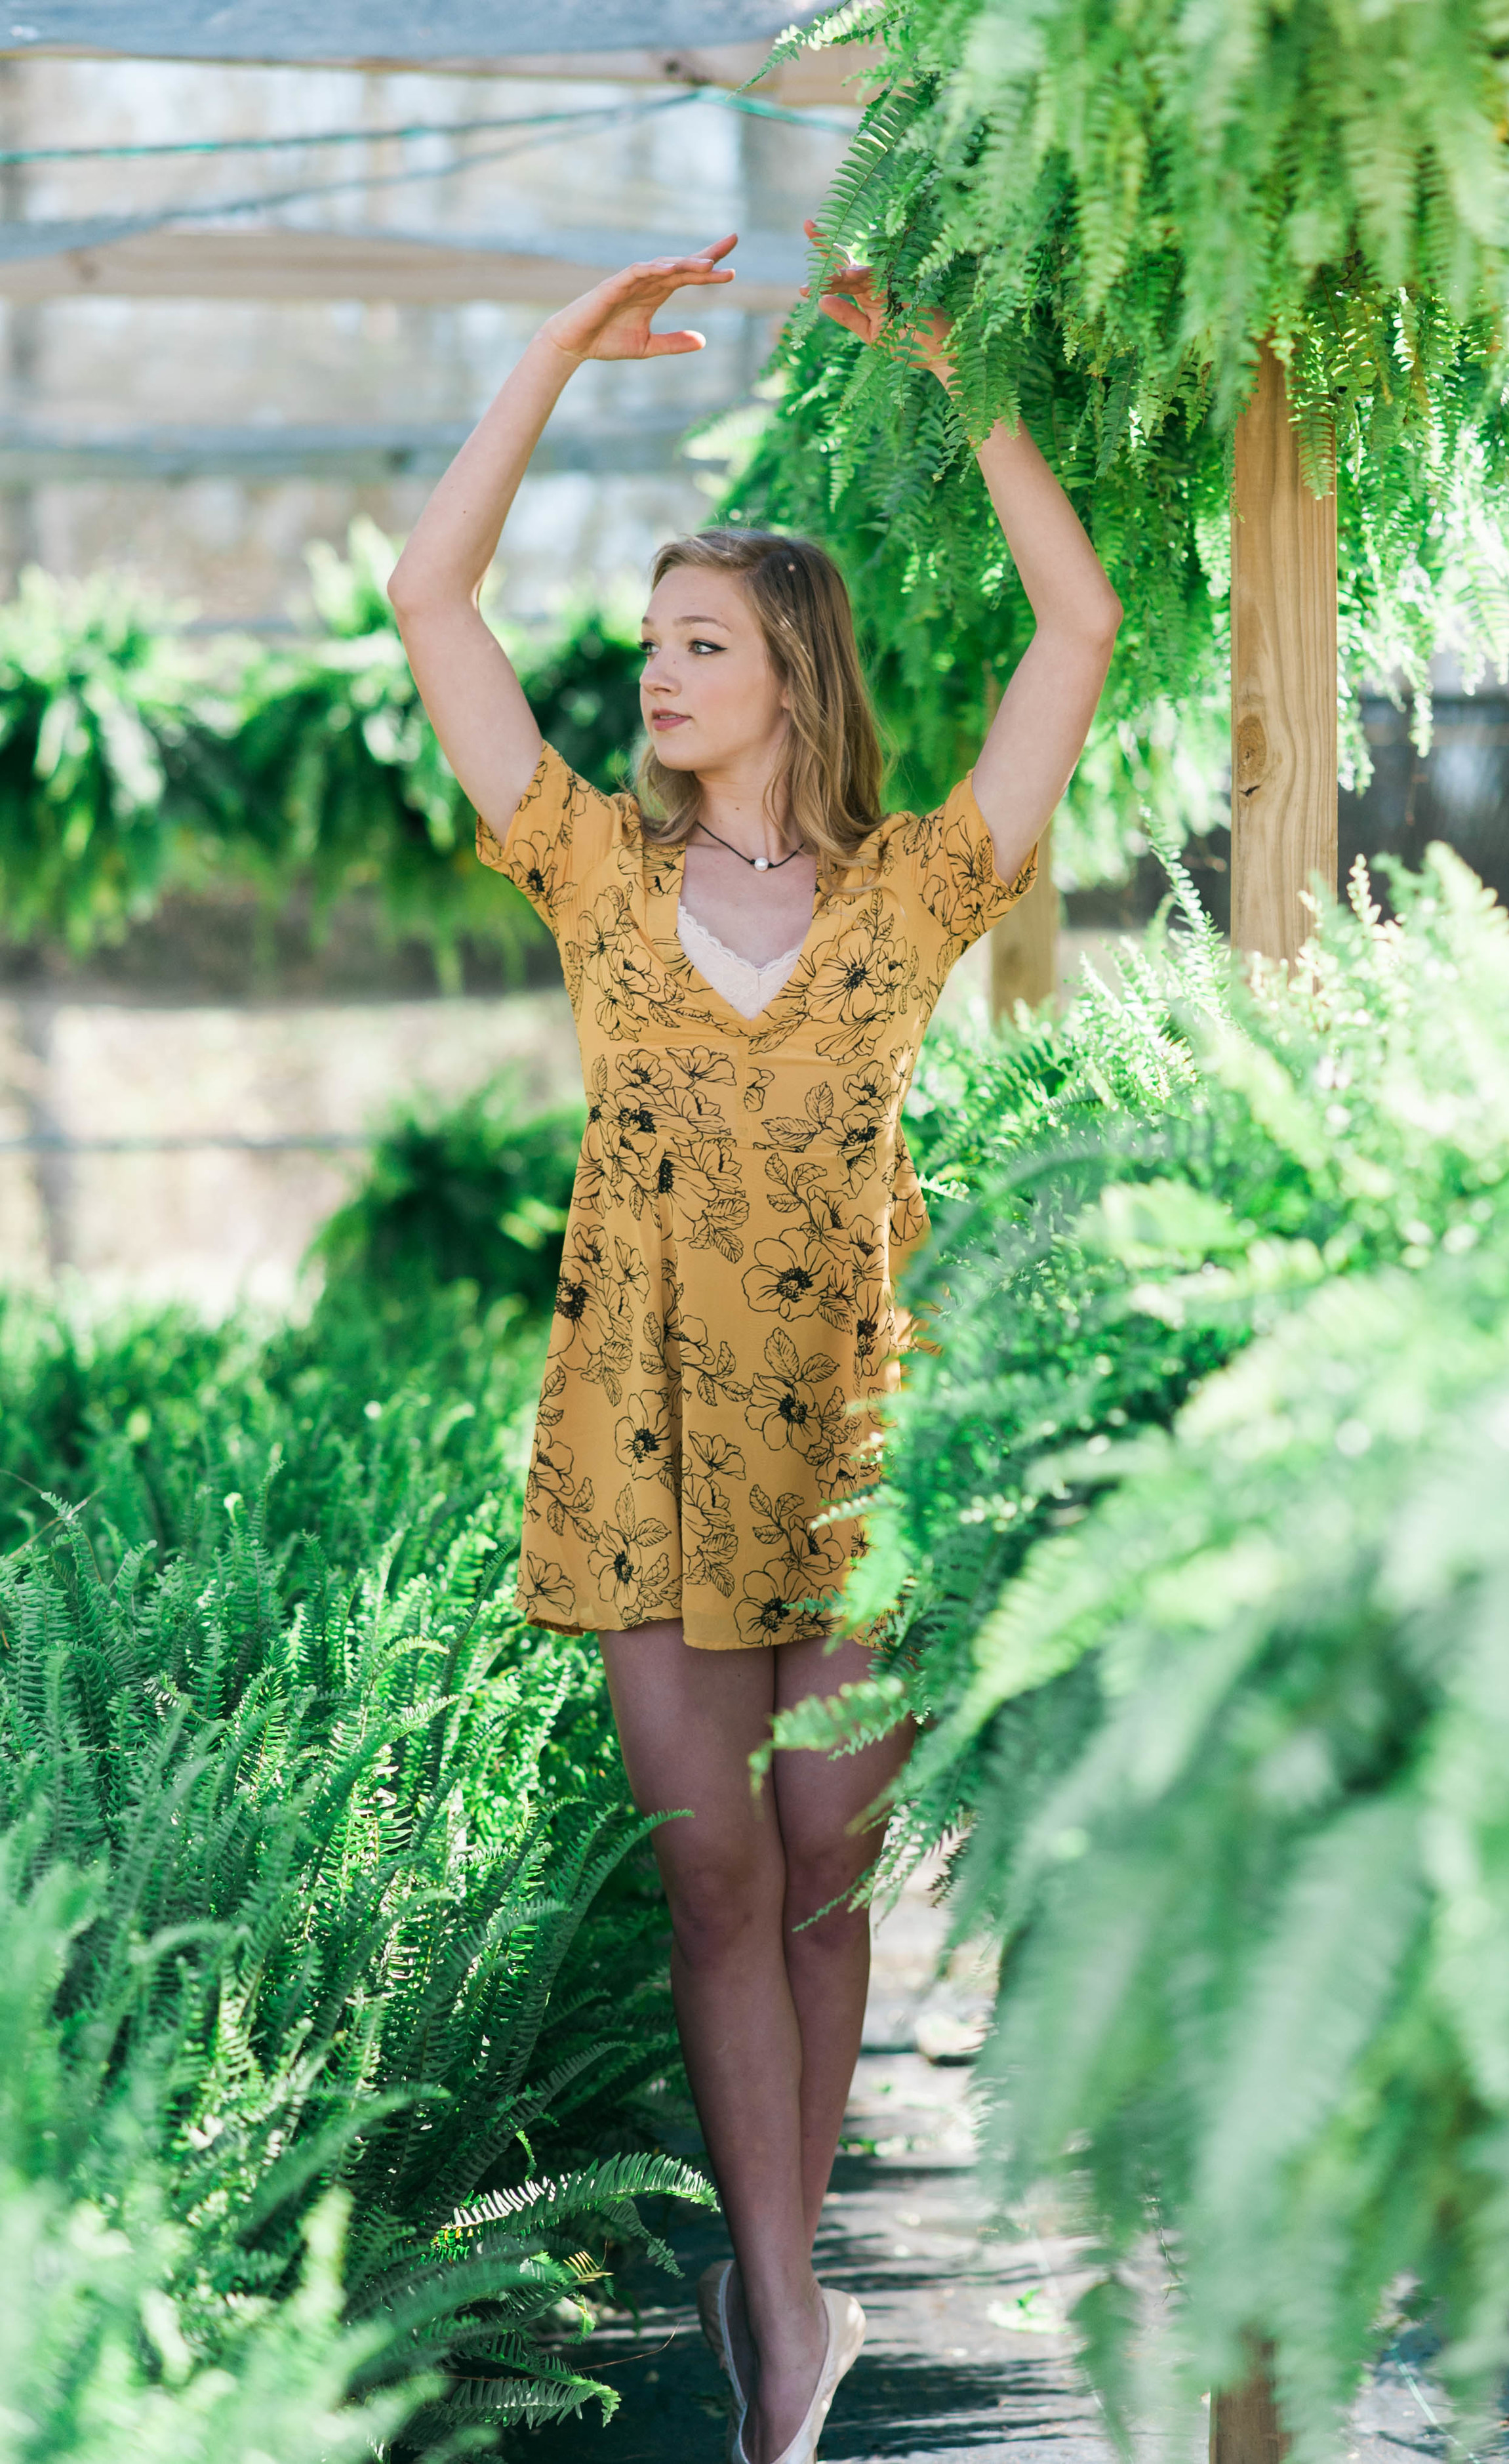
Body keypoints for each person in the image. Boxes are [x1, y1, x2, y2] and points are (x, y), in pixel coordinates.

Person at [387, 226, 1121, 2464]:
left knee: (820, 1880)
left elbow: (1072, 625)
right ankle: (788, 2306)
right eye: (645, 644)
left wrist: (963, 375)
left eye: (696, 642)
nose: (652, 675)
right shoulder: (588, 869)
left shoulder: (912, 891)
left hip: (852, 1441)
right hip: (638, 1437)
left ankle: (777, 2289)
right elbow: (436, 603)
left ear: (791, 670)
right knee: (714, 1873)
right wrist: (545, 352)